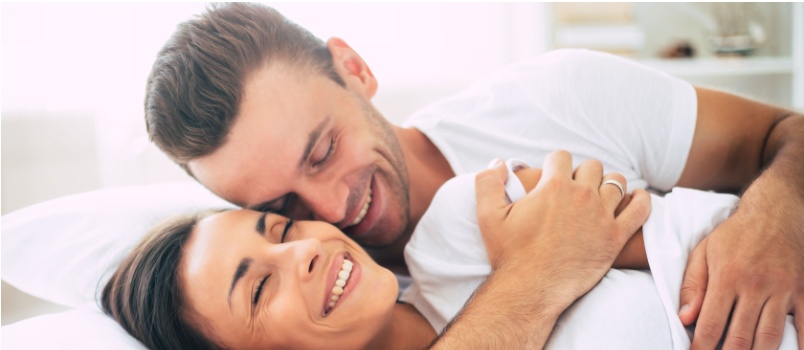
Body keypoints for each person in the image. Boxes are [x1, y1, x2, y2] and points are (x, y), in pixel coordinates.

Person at [145, 3, 804, 348]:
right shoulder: (341, 312)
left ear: (354, 69)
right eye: (282, 206)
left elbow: (787, 135)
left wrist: (773, 221)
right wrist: (535, 275)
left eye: (322, 151)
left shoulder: (551, 98)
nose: (331, 209)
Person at [101, 152, 797, 349]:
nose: (301, 254)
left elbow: (721, 239)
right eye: (258, 288)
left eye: (280, 231)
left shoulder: (466, 227)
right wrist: (538, 273)